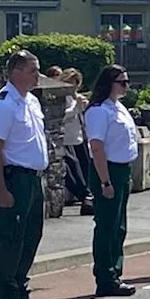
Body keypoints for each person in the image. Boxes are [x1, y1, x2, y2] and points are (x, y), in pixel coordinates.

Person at [0, 50, 51, 299]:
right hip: (15, 177)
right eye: (33, 70)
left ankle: (22, 292)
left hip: (35, 177)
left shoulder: (32, 101)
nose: (38, 76)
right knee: (11, 239)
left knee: (31, 236)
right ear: (16, 72)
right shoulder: (2, 103)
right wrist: (1, 188)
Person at [84, 64, 140, 297]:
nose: (126, 86)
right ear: (109, 83)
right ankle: (105, 276)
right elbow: (97, 147)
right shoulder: (99, 111)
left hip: (121, 170)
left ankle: (115, 272)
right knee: (107, 225)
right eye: (122, 82)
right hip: (107, 170)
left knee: (119, 226)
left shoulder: (118, 108)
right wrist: (105, 181)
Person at [58, 68, 92, 216]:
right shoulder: (61, 99)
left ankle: (88, 195)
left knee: (85, 168)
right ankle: (85, 197)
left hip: (79, 138)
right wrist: (76, 108)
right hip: (67, 139)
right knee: (73, 170)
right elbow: (63, 117)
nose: (73, 88)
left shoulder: (75, 98)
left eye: (76, 85)